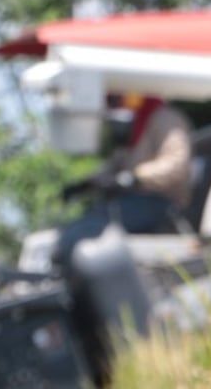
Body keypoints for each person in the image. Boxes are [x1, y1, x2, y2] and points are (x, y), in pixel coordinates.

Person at [53, 94, 194, 267]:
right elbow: (116, 165)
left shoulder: (166, 118)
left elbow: (176, 164)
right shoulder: (134, 124)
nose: (112, 104)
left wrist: (137, 176)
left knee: (87, 230)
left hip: (160, 204)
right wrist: (87, 184)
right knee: (76, 227)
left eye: (115, 98)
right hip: (129, 203)